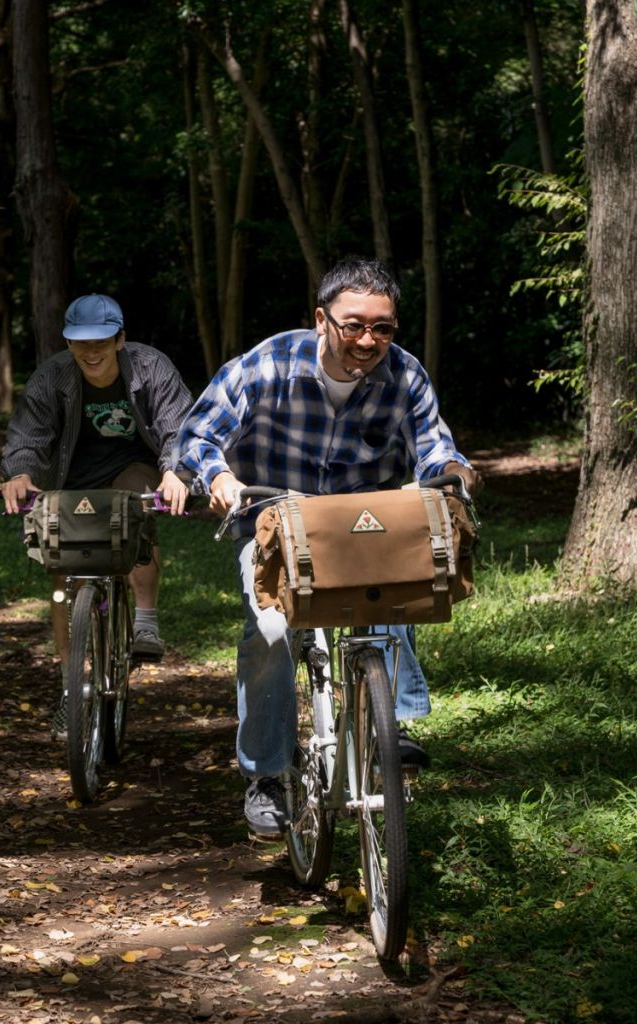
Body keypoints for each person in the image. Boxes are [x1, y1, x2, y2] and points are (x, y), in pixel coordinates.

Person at [174, 257, 480, 838]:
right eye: (353, 325)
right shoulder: (268, 364)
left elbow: (435, 446)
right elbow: (199, 433)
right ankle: (268, 773)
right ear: (322, 319)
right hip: (273, 515)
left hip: (362, 523)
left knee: (395, 583)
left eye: (382, 328)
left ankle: (395, 727)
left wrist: (454, 473)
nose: (368, 340)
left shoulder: (405, 375)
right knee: (268, 628)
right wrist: (216, 477)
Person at [0, 293, 193, 730]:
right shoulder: (52, 377)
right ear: (68, 343)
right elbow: (28, 436)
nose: (91, 351)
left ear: (120, 339)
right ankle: (71, 683)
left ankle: (144, 622)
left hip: (134, 466)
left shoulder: (151, 368)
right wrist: (20, 473)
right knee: (60, 567)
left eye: (101, 341)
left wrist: (176, 472)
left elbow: (178, 428)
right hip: (70, 476)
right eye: (80, 342)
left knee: (134, 509)